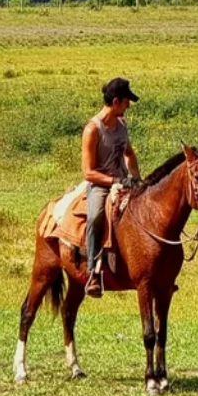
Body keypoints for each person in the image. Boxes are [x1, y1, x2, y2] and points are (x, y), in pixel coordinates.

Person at [82, 77, 142, 297]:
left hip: (124, 181)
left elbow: (128, 153)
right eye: (126, 102)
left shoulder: (122, 125)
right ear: (116, 102)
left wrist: (137, 179)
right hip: (101, 184)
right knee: (95, 216)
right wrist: (116, 181)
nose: (128, 107)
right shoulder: (93, 130)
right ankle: (92, 273)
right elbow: (88, 172)